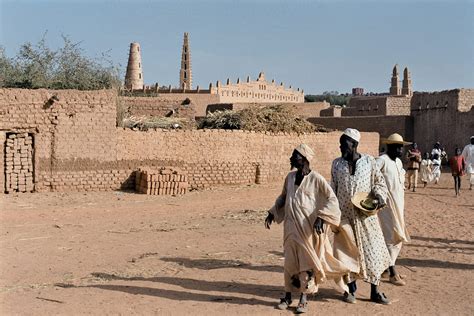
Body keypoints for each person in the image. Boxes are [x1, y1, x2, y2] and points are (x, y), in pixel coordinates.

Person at [265, 144, 349, 313]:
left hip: (307, 231)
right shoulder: (289, 178)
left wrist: (322, 217)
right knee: (289, 263)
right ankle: (287, 296)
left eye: (294, 156)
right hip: (290, 229)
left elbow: (331, 200)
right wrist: (273, 213)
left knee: (306, 264)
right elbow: (283, 197)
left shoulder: (316, 179)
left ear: (304, 159)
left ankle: (303, 298)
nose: (291, 158)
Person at [331, 128, 391, 305]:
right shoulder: (336, 164)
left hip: (365, 216)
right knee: (347, 254)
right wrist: (332, 214)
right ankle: (350, 290)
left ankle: (375, 290)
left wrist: (379, 196)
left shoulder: (369, 162)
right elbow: (333, 189)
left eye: (344, 143)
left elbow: (379, 182)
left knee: (373, 252)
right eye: (341, 143)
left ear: (355, 144)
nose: (341, 146)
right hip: (345, 217)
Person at [377, 133, 411, 286]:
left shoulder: (398, 163)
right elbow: (372, 176)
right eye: (397, 148)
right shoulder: (382, 160)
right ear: (389, 147)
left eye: (401, 148)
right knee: (392, 236)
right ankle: (392, 272)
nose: (400, 151)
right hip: (386, 205)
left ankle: (386, 268)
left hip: (399, 204)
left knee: (397, 237)